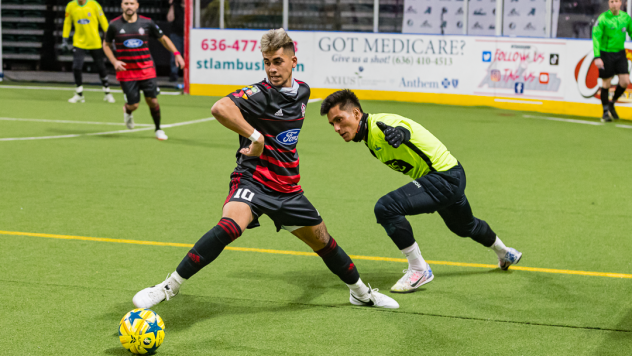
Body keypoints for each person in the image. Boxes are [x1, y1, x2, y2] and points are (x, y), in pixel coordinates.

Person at [132, 29, 399, 309]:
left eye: (278, 62)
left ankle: (360, 293)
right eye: (267, 62)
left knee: (324, 242)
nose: (272, 68)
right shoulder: (259, 94)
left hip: (288, 189)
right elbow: (220, 108)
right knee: (229, 227)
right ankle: (167, 287)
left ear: (293, 61)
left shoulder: (304, 92)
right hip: (253, 182)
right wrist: (256, 137)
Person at [320, 90, 522, 293]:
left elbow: (402, 129)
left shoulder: (380, 125)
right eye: (332, 124)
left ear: (356, 114)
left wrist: (399, 135)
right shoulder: (368, 138)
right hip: (448, 175)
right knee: (463, 226)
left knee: (386, 208)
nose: (337, 128)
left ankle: (419, 269)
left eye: (339, 120)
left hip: (444, 178)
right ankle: (505, 252)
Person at [102, 0, 184, 141]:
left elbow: (163, 38)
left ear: (137, 5)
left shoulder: (147, 23)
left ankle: (158, 129)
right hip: (126, 72)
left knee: (152, 101)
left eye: (132, 3)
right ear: (122, 5)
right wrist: (114, 61)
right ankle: (127, 110)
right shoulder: (114, 25)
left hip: (146, 69)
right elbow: (106, 44)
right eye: (126, 3)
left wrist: (177, 54)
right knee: (134, 105)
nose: (129, 6)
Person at [62, 0, 115, 104]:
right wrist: (65, 38)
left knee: (101, 67)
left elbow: (103, 20)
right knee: (76, 67)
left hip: (94, 41)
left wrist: (109, 36)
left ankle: (107, 93)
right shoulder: (70, 6)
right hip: (79, 42)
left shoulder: (94, 4)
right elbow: (67, 22)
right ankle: (79, 94)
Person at [592, 0, 631, 122]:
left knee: (625, 82)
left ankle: (611, 103)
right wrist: (597, 56)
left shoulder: (626, 18)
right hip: (606, 53)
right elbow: (596, 37)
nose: (614, 4)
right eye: (611, 1)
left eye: (616, 1)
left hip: (620, 53)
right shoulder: (603, 18)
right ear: (609, 3)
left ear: (621, 3)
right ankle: (605, 112)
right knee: (606, 83)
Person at [167, 0, 185, 82]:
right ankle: (174, 74)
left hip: (189, 35)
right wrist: (172, 5)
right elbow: (170, 19)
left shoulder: (192, 7)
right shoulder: (176, 5)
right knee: (175, 54)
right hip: (176, 34)